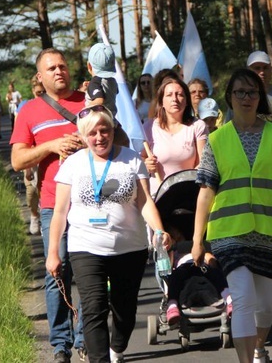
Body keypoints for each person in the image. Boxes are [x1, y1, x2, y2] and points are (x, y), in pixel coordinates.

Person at [193, 68, 272, 363]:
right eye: (239, 92)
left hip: (271, 232)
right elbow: (206, 191)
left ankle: (258, 347)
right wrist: (197, 239)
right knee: (242, 300)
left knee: (264, 306)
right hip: (229, 232)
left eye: (252, 92)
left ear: (260, 97)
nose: (246, 97)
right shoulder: (217, 140)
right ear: (229, 97)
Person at [45, 105, 170, 363]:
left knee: (125, 312)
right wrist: (53, 253)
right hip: (85, 247)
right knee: (94, 309)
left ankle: (118, 346)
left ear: (113, 131)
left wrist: (159, 230)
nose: (99, 137)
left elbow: (144, 202)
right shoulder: (73, 165)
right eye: (92, 133)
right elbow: (59, 212)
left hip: (129, 248)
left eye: (105, 130)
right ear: (82, 136)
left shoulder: (132, 159)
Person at [10, 48, 85, 362]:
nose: (59, 71)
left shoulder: (89, 103)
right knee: (57, 271)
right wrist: (52, 146)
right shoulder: (29, 110)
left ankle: (85, 340)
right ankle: (60, 345)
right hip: (53, 204)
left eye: (63, 66)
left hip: (92, 203)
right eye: (51, 68)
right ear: (40, 77)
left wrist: (87, 141)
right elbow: (17, 160)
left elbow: (116, 139)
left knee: (90, 274)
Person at [142, 75, 208, 195]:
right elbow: (139, 159)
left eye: (180, 94)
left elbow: (203, 164)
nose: (175, 99)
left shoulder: (198, 126)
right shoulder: (149, 127)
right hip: (158, 196)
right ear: (161, 101)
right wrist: (145, 165)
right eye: (169, 95)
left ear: (187, 100)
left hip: (189, 195)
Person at [164, 225, 231, 326]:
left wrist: (211, 262)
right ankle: (172, 305)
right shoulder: (176, 252)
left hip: (201, 265)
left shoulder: (202, 247)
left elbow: (209, 258)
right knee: (175, 276)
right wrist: (168, 250)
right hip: (184, 268)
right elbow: (170, 265)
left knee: (216, 273)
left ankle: (229, 299)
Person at [15, 75, 46, 235]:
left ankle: (47, 219)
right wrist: (26, 164)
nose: (40, 95)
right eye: (38, 92)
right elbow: (20, 137)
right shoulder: (25, 108)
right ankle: (34, 215)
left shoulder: (51, 105)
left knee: (45, 190)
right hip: (31, 155)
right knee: (31, 191)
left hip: (47, 154)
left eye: (43, 92)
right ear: (33, 91)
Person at [85, 43, 129, 147]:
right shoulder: (112, 81)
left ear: (89, 66)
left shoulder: (95, 83)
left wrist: (84, 110)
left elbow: (99, 100)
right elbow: (108, 92)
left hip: (97, 122)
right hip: (113, 122)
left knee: (75, 140)